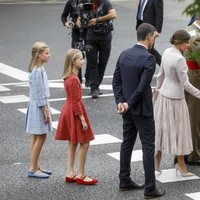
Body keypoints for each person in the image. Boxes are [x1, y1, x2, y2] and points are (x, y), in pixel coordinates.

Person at [112, 23, 164, 199]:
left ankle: (124, 179)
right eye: (154, 37)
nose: (154, 41)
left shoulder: (124, 54)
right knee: (148, 146)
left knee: (127, 143)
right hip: (142, 110)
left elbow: (116, 81)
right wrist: (129, 103)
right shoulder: (148, 58)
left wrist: (121, 102)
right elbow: (142, 88)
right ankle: (150, 188)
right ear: (149, 37)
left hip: (127, 109)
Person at [154, 30, 200, 177]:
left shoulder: (167, 52)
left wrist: (156, 91)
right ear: (179, 42)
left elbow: (160, 74)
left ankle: (156, 163)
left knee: (161, 129)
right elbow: (185, 84)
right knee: (181, 131)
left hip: (163, 96)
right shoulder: (180, 59)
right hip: (176, 99)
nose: (188, 45)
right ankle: (181, 165)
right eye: (186, 42)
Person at [55, 48, 97, 185]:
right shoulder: (73, 79)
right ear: (73, 62)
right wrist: (83, 120)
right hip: (75, 112)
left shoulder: (68, 77)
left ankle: (70, 172)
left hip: (68, 110)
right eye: (80, 59)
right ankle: (81, 174)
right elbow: (76, 102)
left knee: (72, 142)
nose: (83, 61)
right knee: (85, 142)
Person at [26, 42, 53, 179]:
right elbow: (39, 92)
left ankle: (35, 165)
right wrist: (45, 110)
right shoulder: (37, 71)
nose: (49, 55)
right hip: (39, 106)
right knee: (41, 136)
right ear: (39, 55)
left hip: (37, 104)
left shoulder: (37, 68)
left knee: (36, 136)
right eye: (46, 53)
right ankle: (32, 168)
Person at [85, 0, 117, 98]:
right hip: (91, 37)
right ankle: (94, 88)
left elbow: (113, 14)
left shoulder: (105, 3)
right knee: (92, 62)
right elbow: (79, 17)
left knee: (103, 62)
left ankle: (96, 84)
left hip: (105, 37)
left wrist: (97, 20)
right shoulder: (86, 4)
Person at [184, 16, 200, 165]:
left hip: (191, 75)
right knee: (194, 116)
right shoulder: (196, 36)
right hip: (196, 77)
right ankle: (194, 154)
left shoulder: (190, 30)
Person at [61, 0, 88, 84]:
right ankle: (78, 79)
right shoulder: (71, 2)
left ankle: (89, 78)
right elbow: (64, 15)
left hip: (89, 31)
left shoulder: (89, 1)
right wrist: (65, 23)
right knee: (77, 56)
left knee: (91, 55)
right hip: (76, 32)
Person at [136, 0, 163, 66]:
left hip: (150, 28)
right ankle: (163, 65)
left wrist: (157, 30)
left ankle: (146, 66)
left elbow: (159, 15)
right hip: (141, 26)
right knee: (148, 48)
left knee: (149, 49)